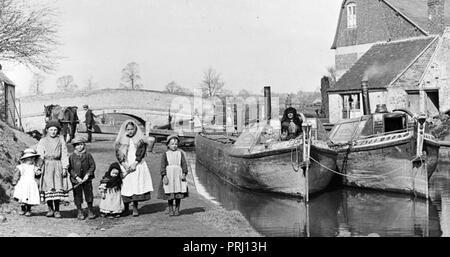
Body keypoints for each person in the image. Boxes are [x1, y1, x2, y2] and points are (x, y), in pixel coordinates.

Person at [114, 119, 155, 217]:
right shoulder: (121, 140)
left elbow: (141, 152)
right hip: (126, 163)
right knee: (126, 185)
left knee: (135, 184)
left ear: (135, 129)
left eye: (132, 129)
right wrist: (123, 164)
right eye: (128, 129)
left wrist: (135, 163)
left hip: (137, 162)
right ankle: (126, 207)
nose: (130, 131)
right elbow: (118, 153)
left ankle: (135, 207)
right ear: (125, 130)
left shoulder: (140, 140)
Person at [36, 120, 70, 218]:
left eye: (55, 130)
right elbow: (40, 154)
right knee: (48, 187)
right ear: (47, 130)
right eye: (51, 130)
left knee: (58, 187)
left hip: (57, 165)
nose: (53, 132)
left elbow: (64, 154)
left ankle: (57, 210)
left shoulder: (61, 140)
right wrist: (38, 167)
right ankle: (50, 209)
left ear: (58, 131)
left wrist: (64, 167)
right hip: (46, 165)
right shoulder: (43, 141)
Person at [157, 135, 189, 216]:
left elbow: (184, 164)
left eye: (176, 144)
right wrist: (164, 175)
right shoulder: (166, 154)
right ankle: (170, 208)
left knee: (178, 193)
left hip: (178, 175)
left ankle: (177, 209)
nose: (174, 146)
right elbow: (163, 165)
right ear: (168, 145)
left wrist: (184, 173)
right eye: (172, 144)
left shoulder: (180, 153)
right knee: (170, 193)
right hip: (169, 175)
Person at [68, 136, 96, 220]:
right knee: (77, 196)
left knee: (89, 194)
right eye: (77, 145)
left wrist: (88, 175)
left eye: (81, 144)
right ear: (74, 146)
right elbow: (70, 169)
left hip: (87, 180)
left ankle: (90, 210)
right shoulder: (72, 157)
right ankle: (80, 211)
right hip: (76, 181)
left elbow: (92, 166)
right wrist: (76, 177)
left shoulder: (88, 155)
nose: (79, 147)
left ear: (84, 145)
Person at [12, 149, 42, 217]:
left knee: (29, 196)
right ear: (25, 159)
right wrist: (15, 182)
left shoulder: (34, 167)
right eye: (29, 159)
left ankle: (28, 210)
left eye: (32, 159)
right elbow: (17, 175)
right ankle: (23, 209)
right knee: (22, 197)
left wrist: (38, 173)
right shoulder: (21, 167)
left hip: (31, 183)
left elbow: (37, 175)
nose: (31, 160)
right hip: (23, 183)